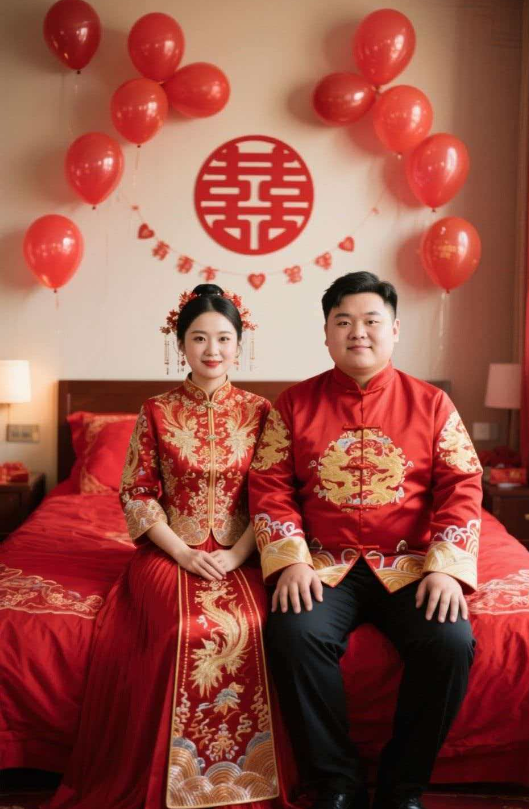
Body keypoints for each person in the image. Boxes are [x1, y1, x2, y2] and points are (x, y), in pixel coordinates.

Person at [248, 272, 482, 809]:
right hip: (323, 564)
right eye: (344, 321)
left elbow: (463, 485)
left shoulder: (433, 404)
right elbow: (270, 486)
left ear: (394, 330)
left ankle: (403, 787)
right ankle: (337, 783)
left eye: (371, 321)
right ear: (326, 333)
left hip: (409, 564)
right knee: (293, 635)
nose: (358, 332)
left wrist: (446, 568)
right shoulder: (293, 404)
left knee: (450, 642)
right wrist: (290, 560)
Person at [48, 284, 279, 809]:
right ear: (181, 344)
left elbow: (272, 494)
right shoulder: (156, 410)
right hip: (170, 549)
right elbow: (137, 493)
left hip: (242, 550)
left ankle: (253, 780)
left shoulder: (262, 412)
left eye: (223, 338)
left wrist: (238, 554)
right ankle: (166, 779)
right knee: (179, 627)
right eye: (199, 338)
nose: (212, 350)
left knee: (262, 625)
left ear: (239, 345)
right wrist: (182, 552)